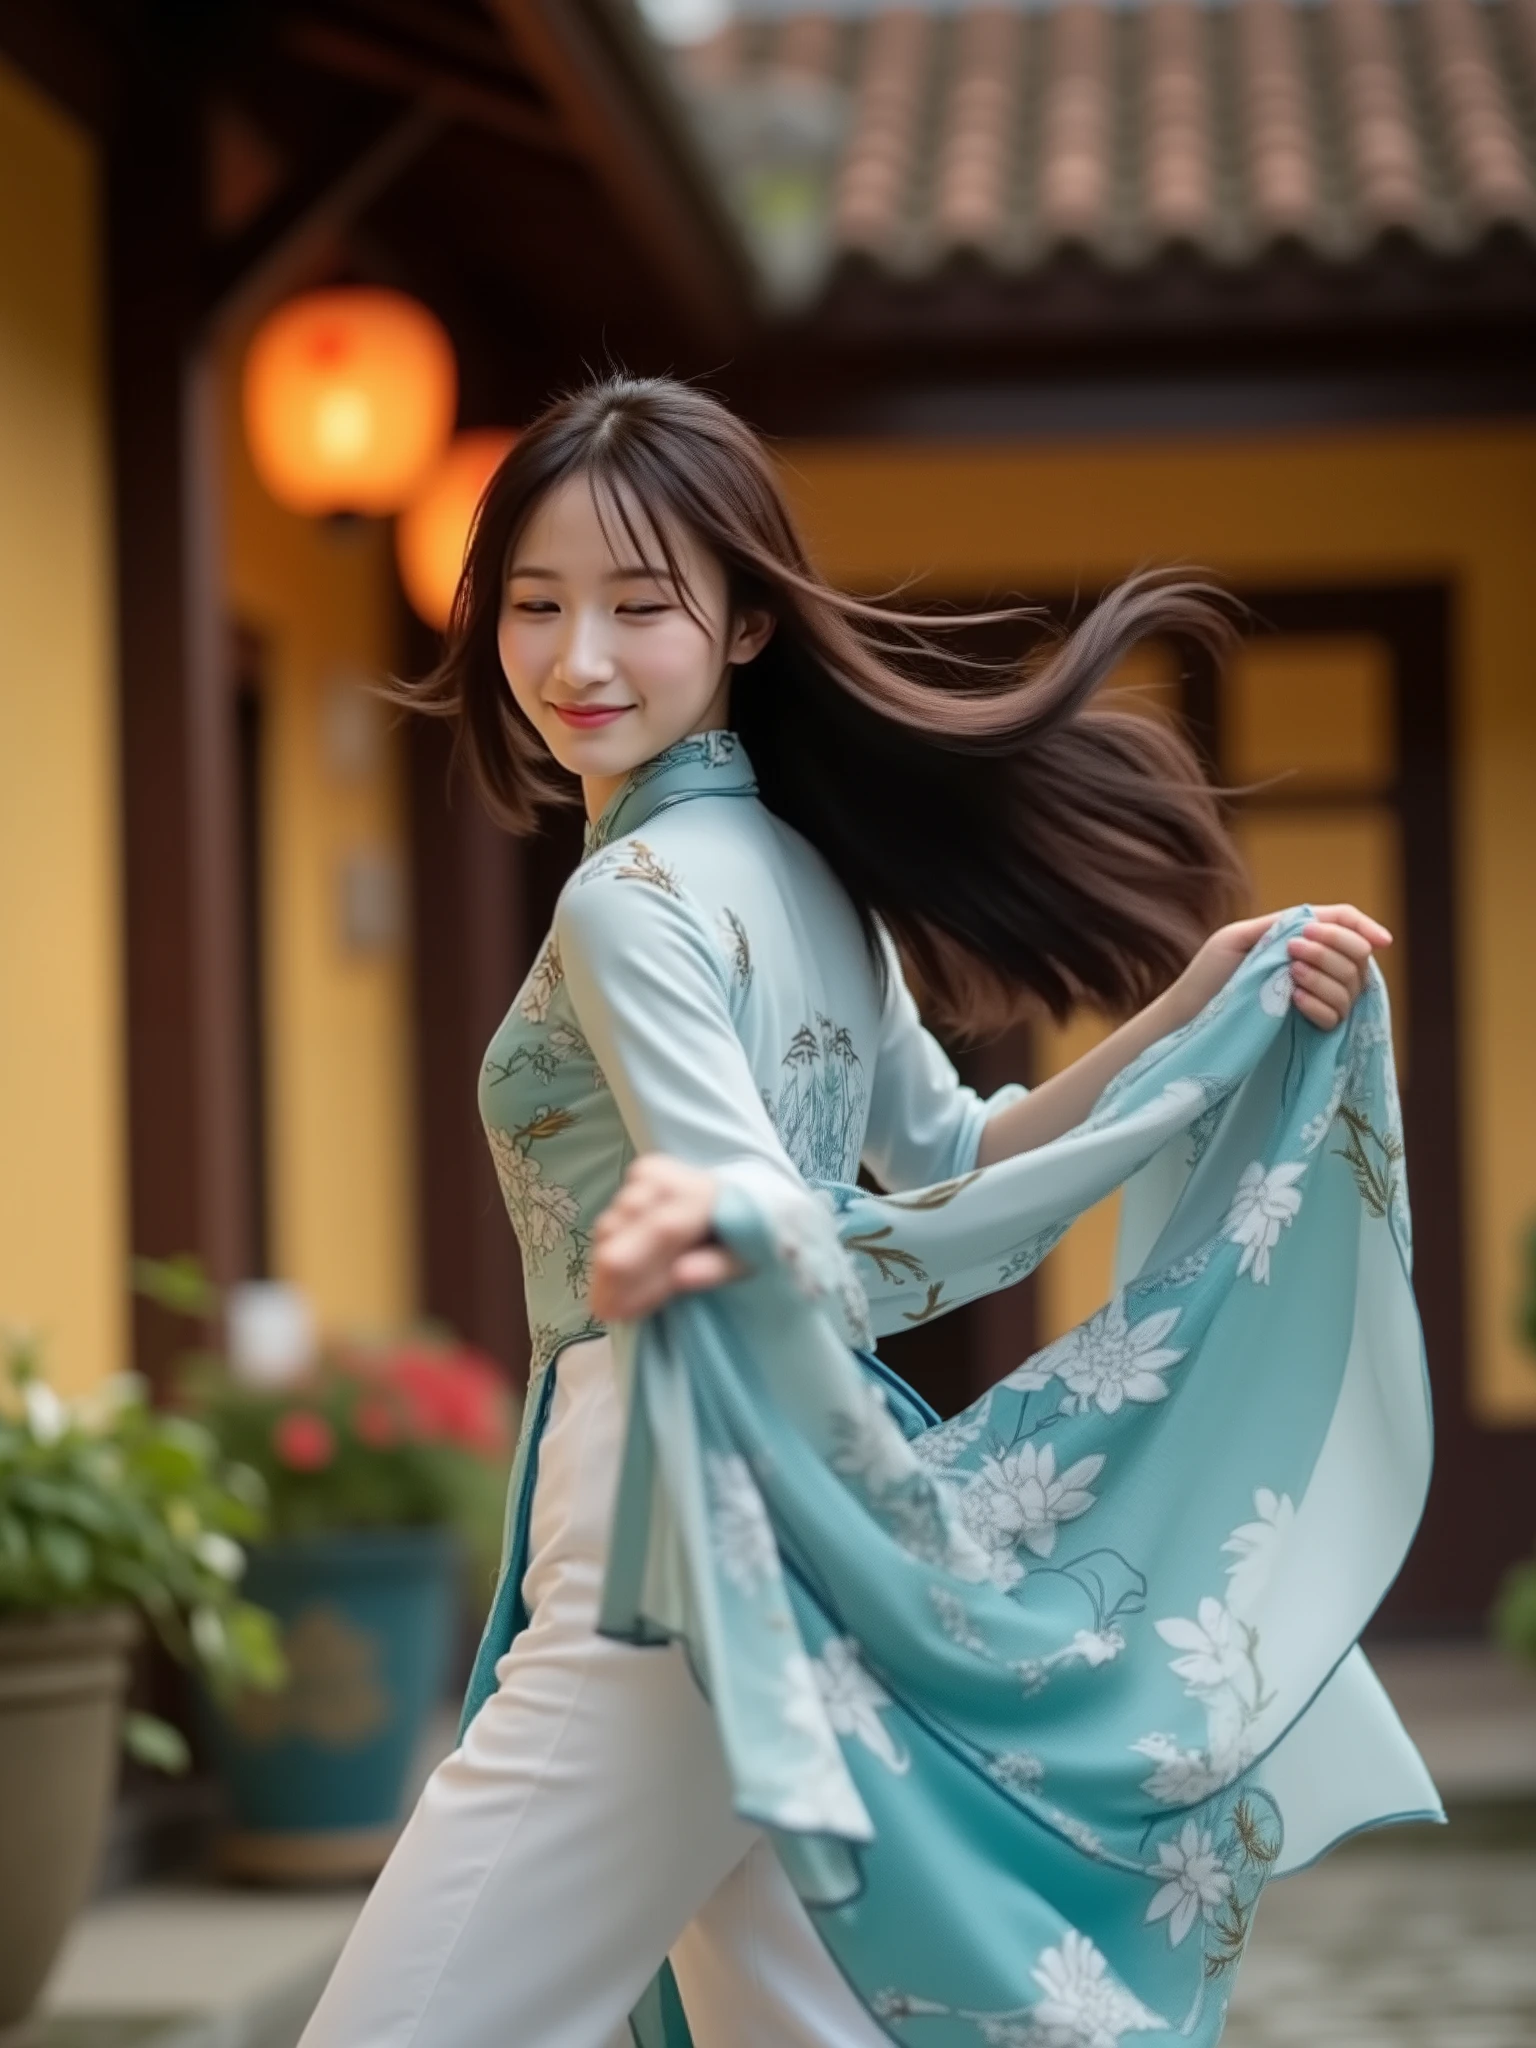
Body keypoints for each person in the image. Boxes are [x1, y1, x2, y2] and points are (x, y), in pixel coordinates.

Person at [298, 375, 1432, 2048]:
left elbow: (789, 1203)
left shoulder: (630, 903)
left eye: (639, 604)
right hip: (791, 1491)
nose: (576, 660)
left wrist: (1197, 1002)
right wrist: (1195, 1011)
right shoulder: (811, 878)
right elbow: (964, 1169)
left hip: (668, 1499)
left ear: (746, 617)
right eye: (533, 606)